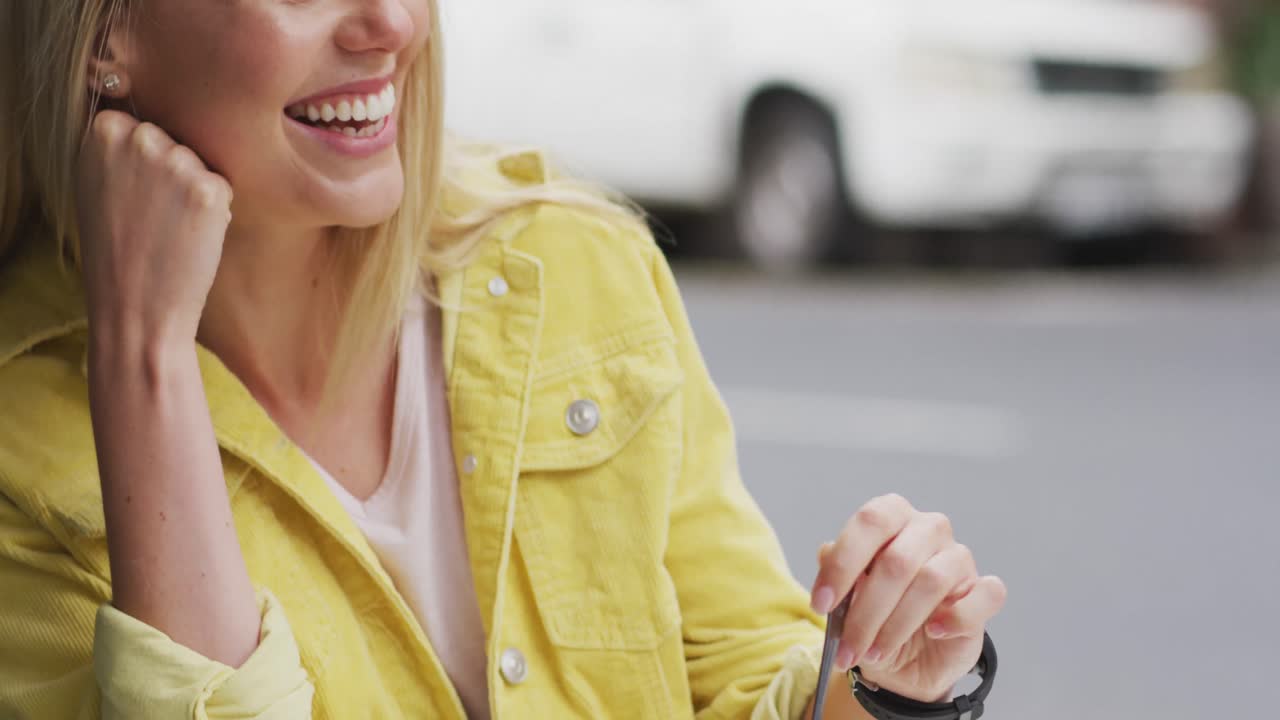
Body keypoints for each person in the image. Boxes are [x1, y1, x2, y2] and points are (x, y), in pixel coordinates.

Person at [0, 1, 1007, 718]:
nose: (389, 22)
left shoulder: (571, 262)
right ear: (105, 35)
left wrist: (879, 679)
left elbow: (741, 669)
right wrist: (146, 363)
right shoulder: (19, 434)